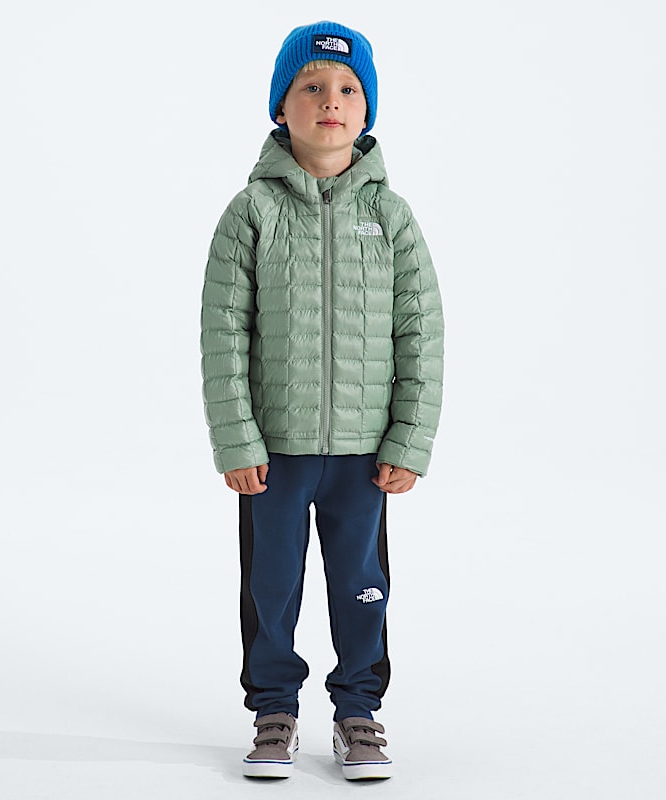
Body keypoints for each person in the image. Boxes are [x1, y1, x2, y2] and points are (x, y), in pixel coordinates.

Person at [200, 20, 444, 781]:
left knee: (362, 586)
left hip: (365, 455)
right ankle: (274, 710)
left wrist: (408, 440)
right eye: (311, 86)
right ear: (282, 106)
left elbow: (422, 333)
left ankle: (358, 711)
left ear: (367, 111)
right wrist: (236, 441)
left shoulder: (391, 217)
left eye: (347, 88)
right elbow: (222, 333)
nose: (330, 101)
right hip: (274, 453)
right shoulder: (251, 213)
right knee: (271, 586)